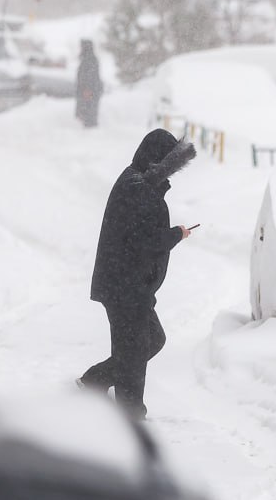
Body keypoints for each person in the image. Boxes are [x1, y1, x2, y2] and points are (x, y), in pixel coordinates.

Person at [78, 129, 196, 419]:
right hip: (125, 286)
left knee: (151, 340)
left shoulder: (139, 182)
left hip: (129, 285)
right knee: (134, 348)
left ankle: (94, 380)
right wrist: (175, 235)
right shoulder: (137, 188)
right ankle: (130, 414)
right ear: (157, 160)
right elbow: (144, 239)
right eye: (169, 164)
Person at [75, 39, 104, 127]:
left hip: (89, 91)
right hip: (89, 90)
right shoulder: (87, 58)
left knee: (89, 112)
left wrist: (88, 89)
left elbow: (91, 76)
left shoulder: (90, 59)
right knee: (87, 112)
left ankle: (90, 128)